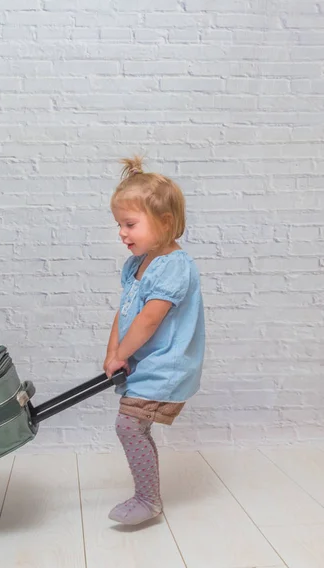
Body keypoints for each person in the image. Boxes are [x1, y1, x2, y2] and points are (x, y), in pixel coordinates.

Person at [103, 156, 205, 526]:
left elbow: (148, 321)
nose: (121, 233)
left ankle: (148, 500)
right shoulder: (136, 264)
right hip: (142, 362)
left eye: (130, 224)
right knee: (133, 425)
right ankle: (149, 497)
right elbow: (125, 312)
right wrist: (114, 353)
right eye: (119, 224)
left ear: (165, 222)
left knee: (128, 425)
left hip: (167, 364)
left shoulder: (174, 265)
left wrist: (123, 354)